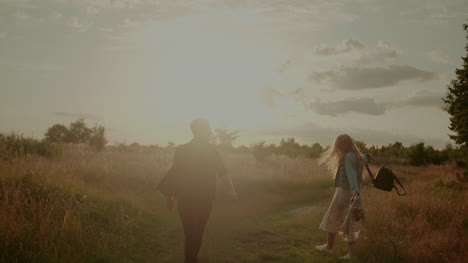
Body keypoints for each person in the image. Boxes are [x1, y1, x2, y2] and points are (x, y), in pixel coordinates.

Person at [157, 118, 238, 263]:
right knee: (191, 232)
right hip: (186, 198)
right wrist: (168, 197)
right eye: (207, 129)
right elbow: (175, 173)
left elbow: (223, 172)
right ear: (199, 131)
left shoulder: (211, 150)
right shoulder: (183, 150)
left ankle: (192, 258)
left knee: (199, 231)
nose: (210, 131)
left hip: (205, 198)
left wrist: (231, 190)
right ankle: (190, 260)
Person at [315, 134, 372, 260]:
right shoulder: (357, 156)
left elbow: (351, 175)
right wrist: (367, 157)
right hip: (355, 194)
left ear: (340, 145)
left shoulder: (348, 157)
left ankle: (339, 250)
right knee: (348, 221)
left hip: (346, 193)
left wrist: (354, 191)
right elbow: (363, 158)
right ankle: (335, 249)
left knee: (338, 219)